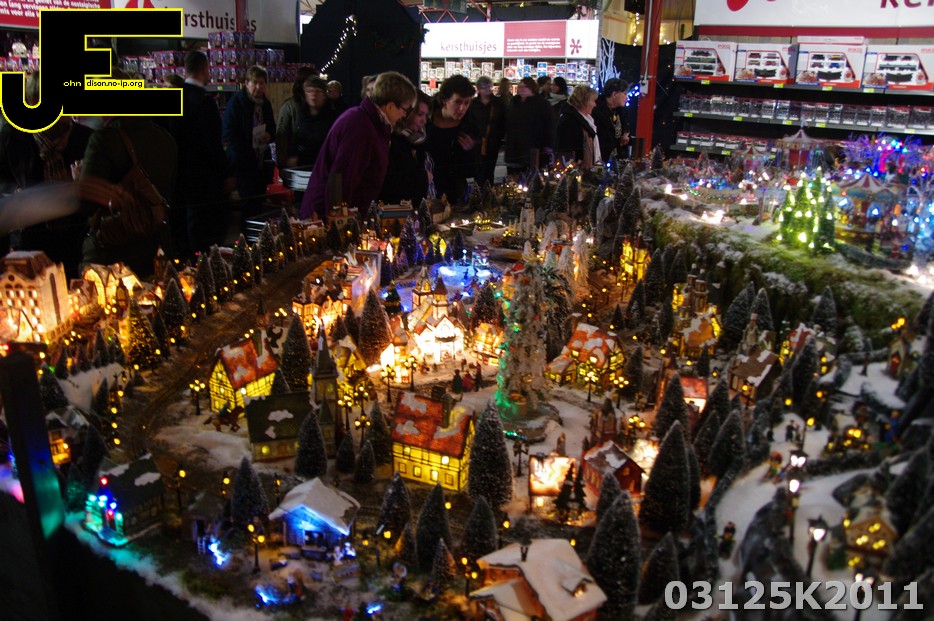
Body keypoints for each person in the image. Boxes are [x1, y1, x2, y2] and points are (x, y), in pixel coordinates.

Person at [0, 71, 92, 277]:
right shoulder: (13, 137)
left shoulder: (84, 138)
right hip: (30, 240)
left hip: (77, 237)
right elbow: (3, 183)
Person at [299, 71, 417, 221]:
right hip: (323, 219)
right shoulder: (361, 126)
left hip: (338, 215)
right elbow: (343, 181)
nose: (405, 115)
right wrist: (341, 224)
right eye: (406, 109)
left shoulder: (370, 123)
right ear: (391, 106)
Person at [79, 110, 177, 277]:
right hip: (155, 247)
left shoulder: (103, 140)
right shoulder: (165, 138)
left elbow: (86, 202)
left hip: (113, 254)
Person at [175, 50, 233, 258]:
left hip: (178, 175)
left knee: (184, 227)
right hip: (204, 178)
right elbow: (213, 144)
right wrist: (225, 173)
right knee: (205, 230)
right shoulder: (205, 103)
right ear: (204, 70)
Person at [222, 65, 276, 223]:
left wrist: (269, 135)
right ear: (246, 83)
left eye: (262, 83)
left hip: (260, 162)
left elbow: (272, 127)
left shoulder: (265, 104)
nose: (259, 87)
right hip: (243, 163)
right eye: (255, 83)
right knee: (247, 205)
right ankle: (246, 236)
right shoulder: (236, 103)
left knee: (258, 203)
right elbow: (228, 133)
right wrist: (244, 152)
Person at [424, 75, 478, 207]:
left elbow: (472, 171)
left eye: (467, 103)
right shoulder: (425, 120)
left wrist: (469, 152)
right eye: (457, 102)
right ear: (444, 100)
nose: (462, 108)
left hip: (455, 193)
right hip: (425, 188)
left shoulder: (469, 127)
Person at [380, 91, 431, 206]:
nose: (424, 121)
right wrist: (423, 178)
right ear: (407, 113)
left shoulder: (420, 139)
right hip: (394, 209)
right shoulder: (390, 140)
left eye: (426, 115)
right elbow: (387, 182)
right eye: (420, 114)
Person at [279, 75, 337, 172]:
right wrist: (292, 156)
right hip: (302, 169)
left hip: (325, 169)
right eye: (310, 91)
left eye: (318, 91)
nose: (314, 95)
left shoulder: (332, 117)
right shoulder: (302, 114)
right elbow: (296, 138)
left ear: (324, 94)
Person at [503, 77, 554, 178]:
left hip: (533, 149)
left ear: (532, 88)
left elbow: (549, 126)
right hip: (514, 149)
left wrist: (547, 146)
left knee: (531, 178)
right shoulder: (514, 102)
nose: (522, 89)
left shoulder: (542, 104)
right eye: (520, 86)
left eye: (525, 87)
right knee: (513, 178)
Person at [274, 66, 317, 171]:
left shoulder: (321, 106)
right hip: (295, 164)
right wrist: (283, 163)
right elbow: (281, 137)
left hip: (315, 162)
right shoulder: (290, 107)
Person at [467, 76, 505, 191]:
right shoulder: (473, 104)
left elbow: (503, 122)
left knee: (490, 170)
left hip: (493, 143)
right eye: (484, 87)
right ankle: (478, 194)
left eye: (489, 86)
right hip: (477, 144)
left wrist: (498, 137)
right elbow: (469, 123)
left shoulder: (498, 104)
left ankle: (488, 194)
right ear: (478, 89)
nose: (488, 89)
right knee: (478, 171)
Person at [554, 85, 602, 169]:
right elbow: (566, 151)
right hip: (576, 170)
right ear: (584, 101)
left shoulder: (587, 120)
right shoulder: (569, 120)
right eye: (593, 101)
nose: (595, 105)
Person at [592, 78, 630, 164]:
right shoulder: (595, 110)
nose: (626, 97)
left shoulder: (621, 111)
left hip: (617, 158)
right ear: (614, 94)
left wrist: (625, 137)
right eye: (624, 94)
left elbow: (624, 130)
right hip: (599, 158)